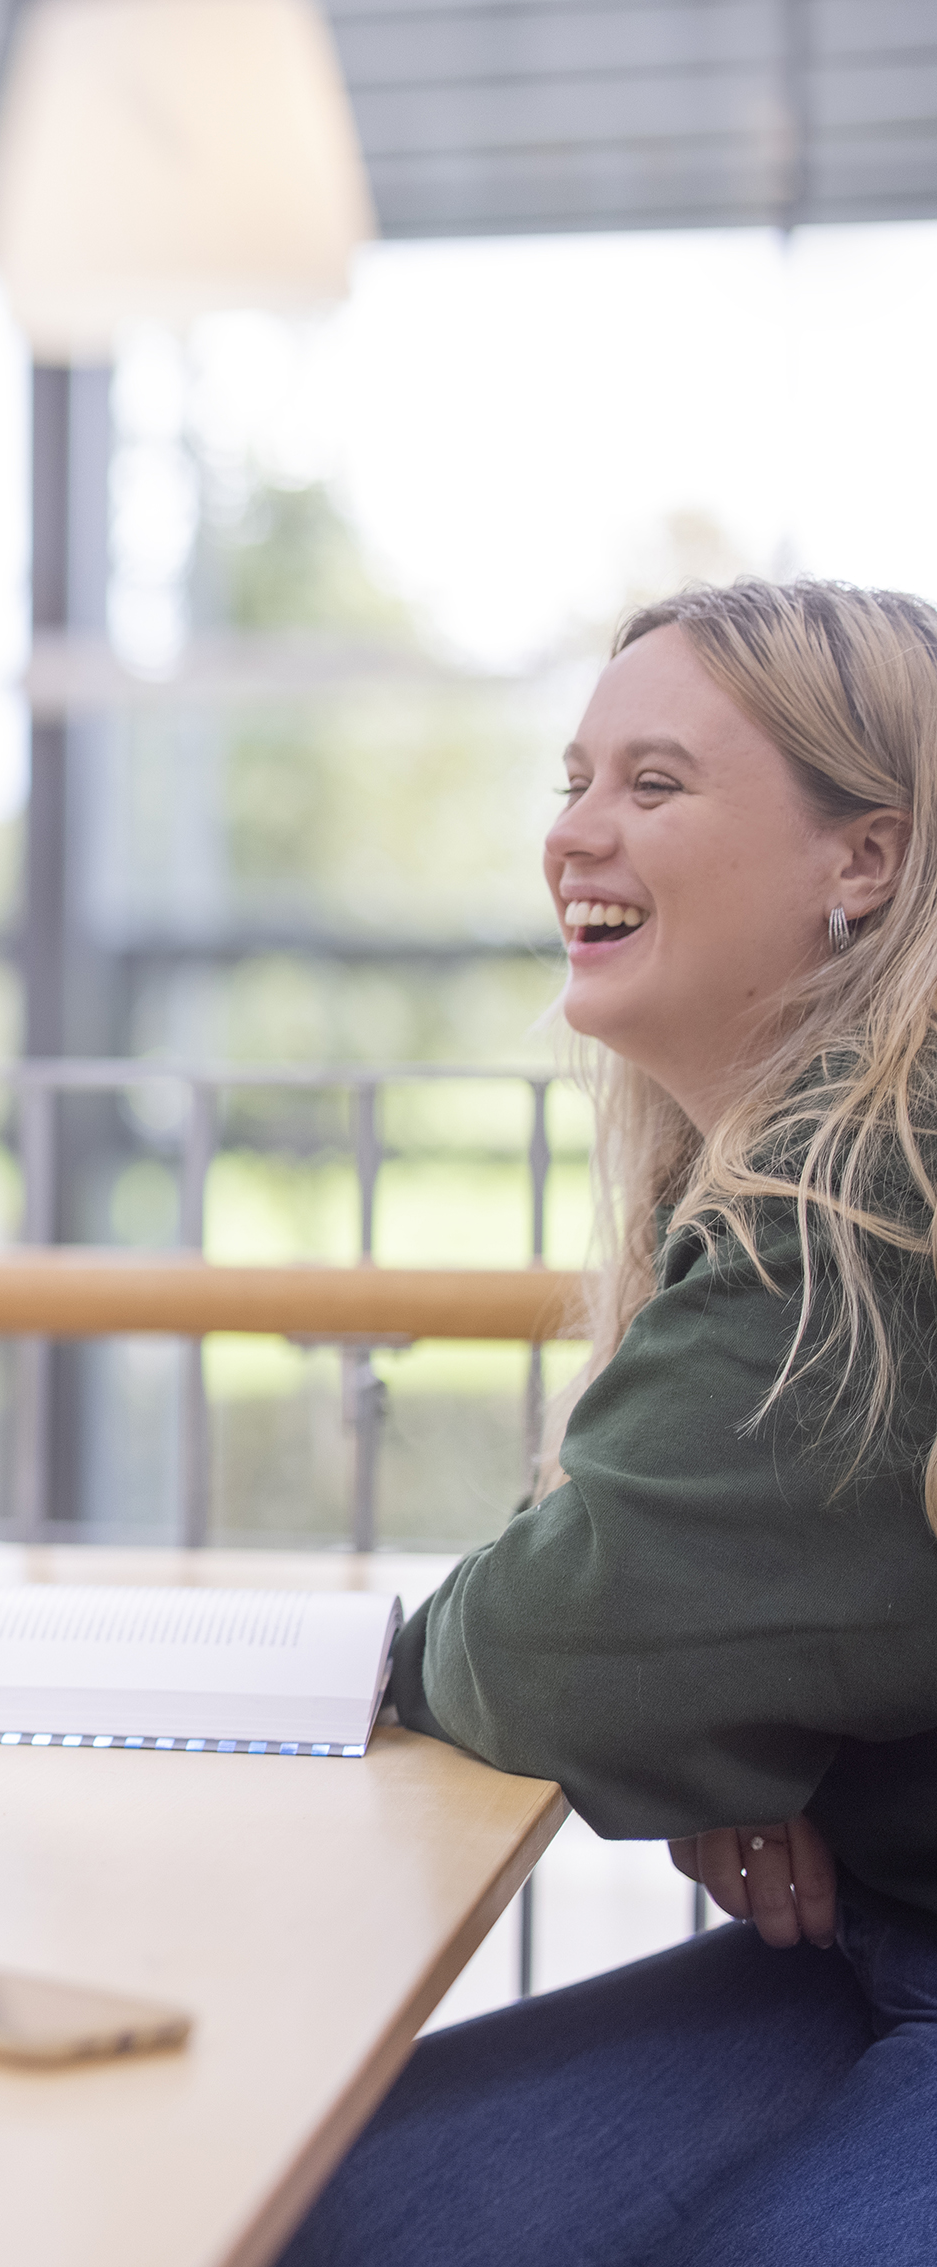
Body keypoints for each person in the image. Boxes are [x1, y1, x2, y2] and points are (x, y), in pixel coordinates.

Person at [285, 579, 937, 2266]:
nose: (576, 833)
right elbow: (629, 1606)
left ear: (862, 861)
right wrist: (708, 1705)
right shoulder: (792, 1180)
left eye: (654, 786)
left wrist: (652, 1681)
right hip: (877, 1948)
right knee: (331, 2208)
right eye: (573, 781)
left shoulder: (864, 1198)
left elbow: (562, 1645)